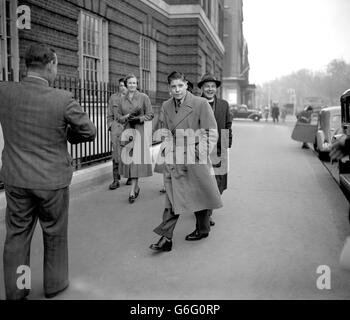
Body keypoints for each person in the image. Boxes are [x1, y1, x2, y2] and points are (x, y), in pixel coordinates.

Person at [0, 43, 96, 300]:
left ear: (26, 64)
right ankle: (54, 286)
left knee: (17, 235)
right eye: (56, 66)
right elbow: (89, 131)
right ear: (51, 64)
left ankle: (18, 290)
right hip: (51, 181)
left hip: (16, 178)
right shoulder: (62, 99)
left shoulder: (4, 91)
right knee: (54, 233)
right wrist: (65, 133)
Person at [150, 71, 223, 252]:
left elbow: (211, 132)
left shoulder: (200, 103)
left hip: (194, 156)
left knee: (198, 194)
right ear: (169, 88)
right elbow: (165, 130)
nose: (177, 90)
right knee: (172, 196)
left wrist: (199, 152)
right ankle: (166, 238)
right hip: (175, 157)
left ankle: (203, 229)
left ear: (186, 85)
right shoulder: (166, 106)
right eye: (173, 86)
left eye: (180, 86)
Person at [198, 73, 232, 227]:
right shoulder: (197, 103)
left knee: (219, 183)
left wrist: (225, 146)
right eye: (207, 86)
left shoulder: (224, 105)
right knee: (204, 182)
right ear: (202, 88)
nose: (210, 89)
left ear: (216, 89)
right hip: (201, 149)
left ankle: (207, 211)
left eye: (212, 86)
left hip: (219, 149)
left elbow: (228, 124)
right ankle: (206, 214)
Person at [116, 74, 154, 203]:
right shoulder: (122, 99)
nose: (132, 85)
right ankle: (136, 186)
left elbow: (150, 115)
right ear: (126, 85)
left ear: (137, 84)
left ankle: (132, 190)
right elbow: (118, 118)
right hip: (127, 132)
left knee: (136, 161)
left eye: (134, 83)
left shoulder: (144, 97)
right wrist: (127, 116)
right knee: (130, 161)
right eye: (130, 83)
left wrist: (139, 118)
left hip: (139, 131)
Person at [107, 77, 131, 190]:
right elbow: (109, 114)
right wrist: (111, 125)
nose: (122, 88)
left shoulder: (133, 98)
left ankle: (130, 176)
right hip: (116, 129)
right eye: (121, 85)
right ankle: (116, 180)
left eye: (124, 85)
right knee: (115, 155)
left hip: (128, 128)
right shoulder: (113, 98)